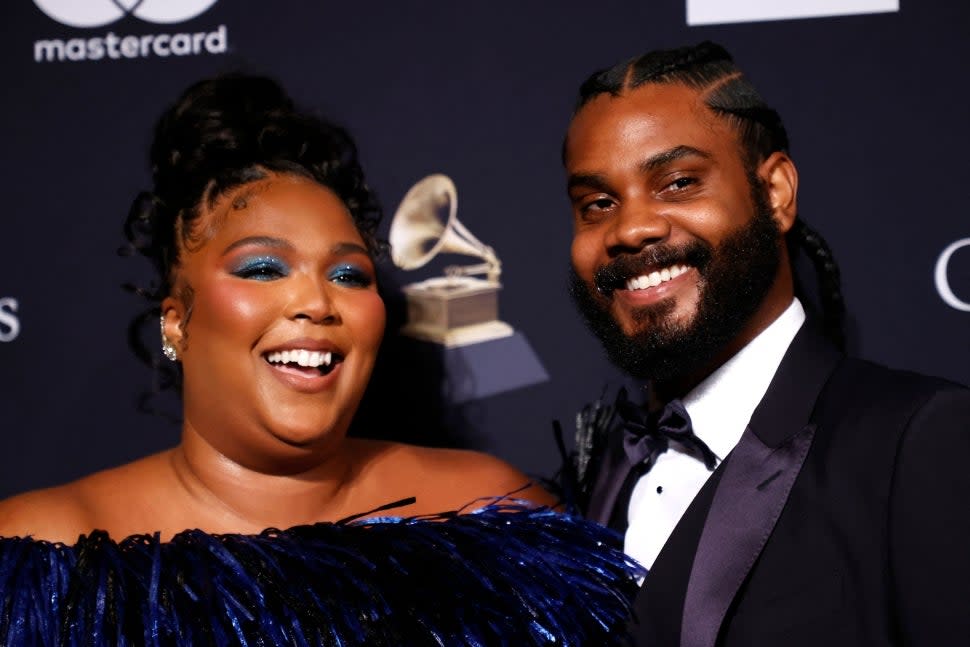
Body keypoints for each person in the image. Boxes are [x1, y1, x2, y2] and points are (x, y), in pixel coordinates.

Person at [0, 73, 641, 645]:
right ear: (177, 320)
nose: (316, 300)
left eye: (350, 275)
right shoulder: (43, 551)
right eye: (262, 268)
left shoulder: (502, 518)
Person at [562, 41, 970, 646]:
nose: (630, 228)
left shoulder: (921, 439)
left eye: (677, 183)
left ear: (775, 192)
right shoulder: (600, 469)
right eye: (598, 203)